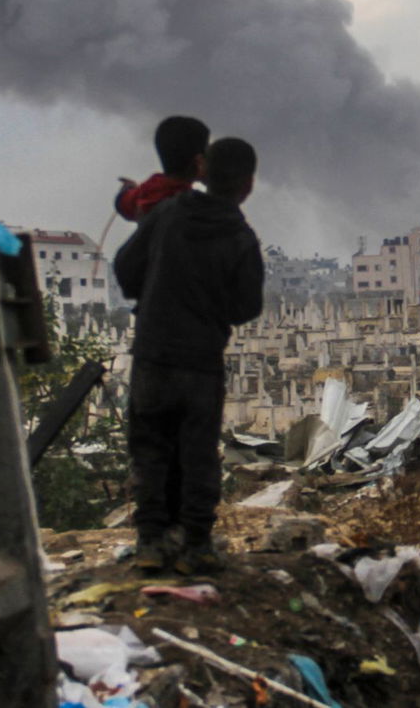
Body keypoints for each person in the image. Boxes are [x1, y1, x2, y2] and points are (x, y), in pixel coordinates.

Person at [114, 137, 264, 574]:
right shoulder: (240, 237)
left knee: (150, 450)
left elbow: (125, 269)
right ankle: (196, 545)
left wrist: (159, 291)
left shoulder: (167, 214)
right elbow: (246, 308)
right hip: (201, 360)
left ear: (203, 171)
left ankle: (151, 543)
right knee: (198, 453)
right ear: (248, 185)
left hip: (154, 354)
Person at [115, 115, 209, 222]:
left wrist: (128, 187)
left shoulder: (149, 190)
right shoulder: (197, 206)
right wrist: (213, 182)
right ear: (199, 161)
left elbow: (122, 202)